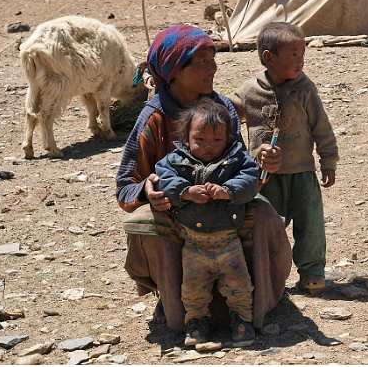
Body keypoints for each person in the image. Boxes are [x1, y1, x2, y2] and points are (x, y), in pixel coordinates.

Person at [116, 24, 291, 333]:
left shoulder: (222, 110)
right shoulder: (153, 118)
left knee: (264, 215)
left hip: (226, 212)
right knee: (142, 222)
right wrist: (148, 191)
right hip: (179, 216)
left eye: (213, 59)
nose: (214, 67)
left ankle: (259, 305)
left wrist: (264, 166)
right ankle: (174, 303)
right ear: (174, 71)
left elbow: (241, 169)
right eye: (201, 62)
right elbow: (125, 187)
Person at [234, 22, 338, 296]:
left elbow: (321, 127)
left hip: (302, 172)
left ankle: (312, 273)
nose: (301, 61)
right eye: (294, 56)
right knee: (267, 227)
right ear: (269, 58)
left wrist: (328, 160)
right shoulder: (249, 91)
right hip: (265, 177)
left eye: (303, 54)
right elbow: (228, 115)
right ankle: (267, 276)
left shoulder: (304, 89)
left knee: (311, 224)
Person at [155, 99, 258, 347]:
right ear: (186, 137)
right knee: (193, 290)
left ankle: (242, 320)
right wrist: (185, 192)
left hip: (229, 242)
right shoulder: (175, 160)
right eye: (200, 140)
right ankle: (196, 323)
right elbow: (163, 177)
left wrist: (228, 191)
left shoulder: (238, 159)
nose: (208, 147)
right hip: (193, 244)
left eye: (217, 140)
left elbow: (250, 180)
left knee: (239, 286)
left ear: (228, 138)